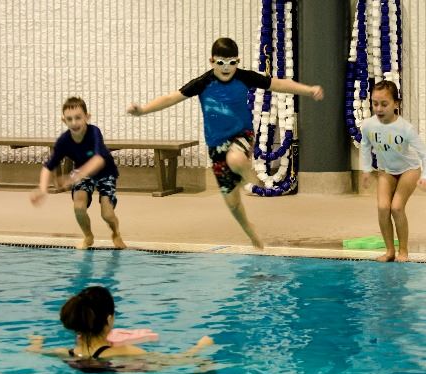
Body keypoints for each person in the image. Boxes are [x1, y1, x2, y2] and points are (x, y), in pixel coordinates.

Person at [127, 37, 324, 249]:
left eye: (232, 62)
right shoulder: (203, 83)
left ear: (238, 61)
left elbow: (278, 84)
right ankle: (250, 231)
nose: (227, 68)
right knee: (232, 203)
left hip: (242, 135)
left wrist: (308, 90)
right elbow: (170, 98)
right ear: (212, 61)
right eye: (221, 62)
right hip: (216, 146)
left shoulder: (244, 77)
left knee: (236, 158)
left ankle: (249, 177)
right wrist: (143, 111)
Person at [26, 286, 215, 372]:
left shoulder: (64, 353)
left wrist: (36, 343)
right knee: (205, 363)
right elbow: (177, 362)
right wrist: (201, 346)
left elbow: (35, 352)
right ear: (109, 319)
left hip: (84, 369)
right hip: (113, 366)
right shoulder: (125, 351)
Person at [30, 97, 126, 250]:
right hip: (82, 173)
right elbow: (48, 166)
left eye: (78, 118)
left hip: (105, 172)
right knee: (78, 206)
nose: (74, 122)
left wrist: (71, 177)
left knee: (107, 214)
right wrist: (42, 189)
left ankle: (116, 233)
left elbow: (98, 161)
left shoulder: (94, 132)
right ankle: (88, 235)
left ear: (87, 117)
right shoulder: (64, 141)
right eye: (69, 119)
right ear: (64, 120)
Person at [360, 80, 426, 262]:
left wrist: (425, 175)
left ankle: (404, 251)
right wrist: (367, 170)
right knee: (383, 208)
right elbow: (365, 145)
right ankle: (389, 251)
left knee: (397, 208)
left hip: (409, 169)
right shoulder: (369, 126)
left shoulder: (405, 128)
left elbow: (424, 154)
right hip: (386, 170)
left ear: (395, 104)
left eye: (384, 104)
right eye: (375, 104)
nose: (379, 109)